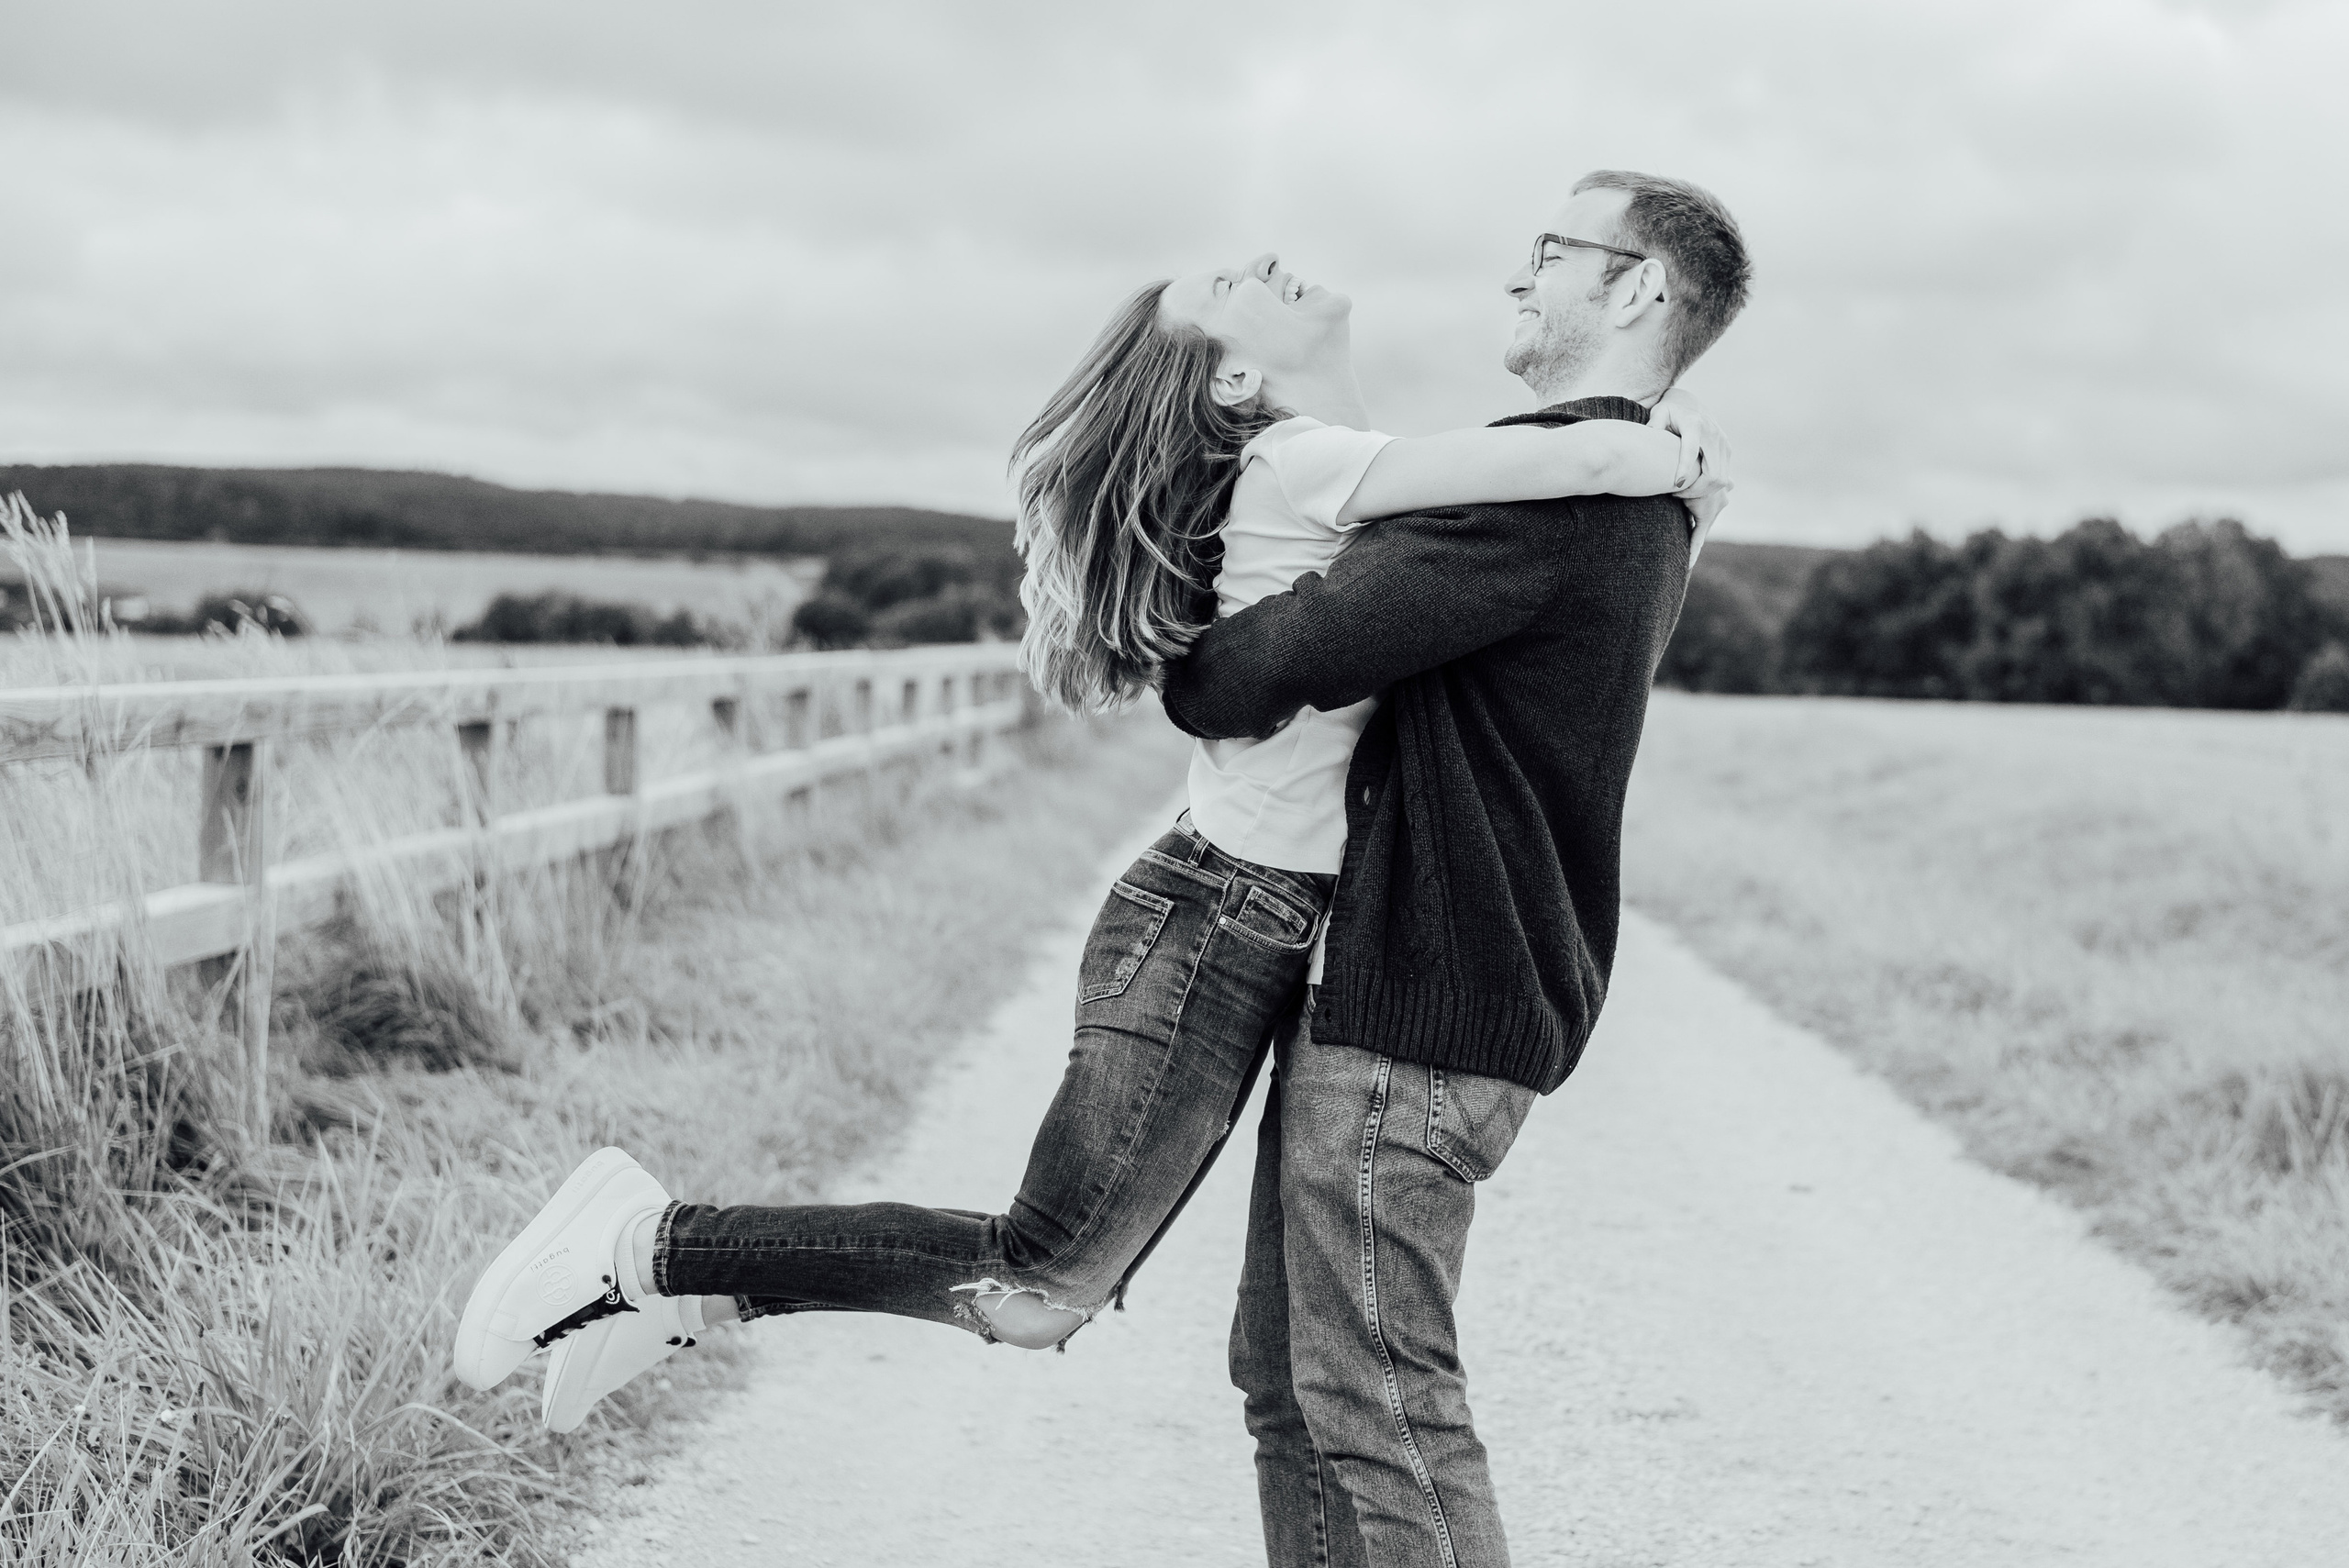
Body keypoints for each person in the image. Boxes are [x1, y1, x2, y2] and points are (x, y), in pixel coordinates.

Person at [450, 204, 1731, 1447]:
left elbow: (1445, 518)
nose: (1266, 263)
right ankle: (648, 1245)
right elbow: (1566, 462)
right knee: (1039, 1281)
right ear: (1235, 375)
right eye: (1231, 290)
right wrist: (1669, 466)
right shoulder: (1313, 463)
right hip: (1224, 911)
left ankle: (681, 1285)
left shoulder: (1331, 460)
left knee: (1041, 1288)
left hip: (1250, 917)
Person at [1159, 169, 1753, 1566]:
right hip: (1407, 993)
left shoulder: (1551, 493)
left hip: (1422, 1007)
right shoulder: (1620, 477)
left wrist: (1183, 635)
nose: (1519, 274)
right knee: (1296, 1390)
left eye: (1553, 250)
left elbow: (1260, 666)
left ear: (1637, 288)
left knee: (1379, 1405)